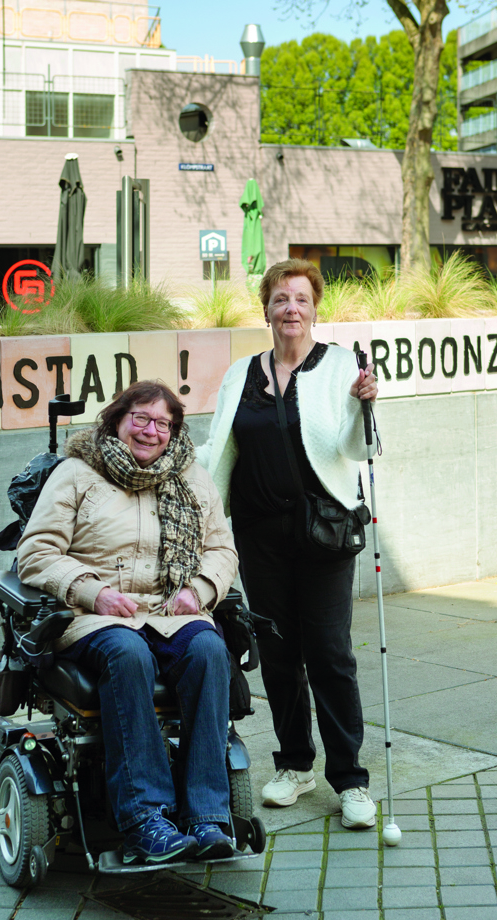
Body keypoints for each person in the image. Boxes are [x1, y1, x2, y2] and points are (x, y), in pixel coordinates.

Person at [17, 381, 238, 865]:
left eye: (163, 423)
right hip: (95, 615)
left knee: (210, 651)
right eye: (141, 418)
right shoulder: (77, 473)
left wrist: (197, 591)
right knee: (129, 654)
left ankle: (206, 816)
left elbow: (222, 550)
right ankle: (145, 819)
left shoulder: (192, 477)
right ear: (118, 419)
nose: (151, 430)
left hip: (170, 612)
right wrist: (90, 590)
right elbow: (34, 553)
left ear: (174, 431)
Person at [197, 258, 379, 829]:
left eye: (300, 299)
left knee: (329, 653)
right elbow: (217, 445)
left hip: (323, 532)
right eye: (280, 300)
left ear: (314, 307)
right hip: (258, 533)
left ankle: (349, 779)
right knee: (277, 653)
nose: (290, 310)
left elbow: (358, 447)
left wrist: (366, 401)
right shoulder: (241, 373)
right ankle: (295, 764)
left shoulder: (341, 365)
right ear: (267, 309)